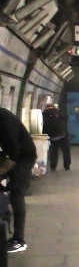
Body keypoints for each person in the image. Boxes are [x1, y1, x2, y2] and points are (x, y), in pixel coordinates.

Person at [0, 107, 37, 253]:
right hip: (13, 155)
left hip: (24, 158)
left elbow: (15, 153)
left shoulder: (5, 120)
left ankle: (19, 240)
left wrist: (1, 172)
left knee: (17, 194)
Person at [42, 103, 71, 171]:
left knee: (54, 152)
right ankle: (67, 166)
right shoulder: (56, 111)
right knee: (66, 151)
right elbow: (65, 117)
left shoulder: (43, 114)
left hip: (52, 137)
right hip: (62, 135)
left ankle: (53, 166)